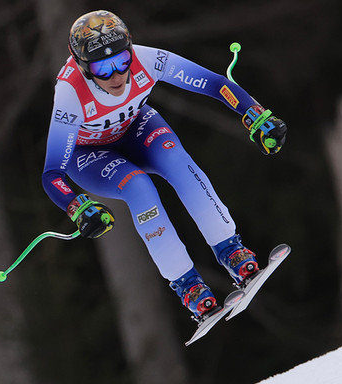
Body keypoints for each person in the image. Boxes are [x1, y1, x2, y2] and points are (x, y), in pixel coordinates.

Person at [42, 10, 287, 324]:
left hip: (135, 128)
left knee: (176, 159)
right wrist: (77, 206)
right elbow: (52, 174)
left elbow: (214, 84)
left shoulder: (148, 59)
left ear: (131, 50)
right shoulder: (70, 93)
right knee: (138, 186)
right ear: (82, 67)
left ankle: (231, 249)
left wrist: (255, 115)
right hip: (89, 154)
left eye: (122, 61)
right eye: (103, 68)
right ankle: (189, 286)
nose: (117, 75)